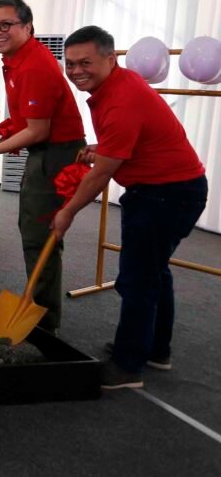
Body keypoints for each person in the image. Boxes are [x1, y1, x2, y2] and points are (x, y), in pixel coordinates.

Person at [51, 26, 207, 390]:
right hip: (171, 189)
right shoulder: (116, 88)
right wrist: (101, 147)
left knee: (137, 280)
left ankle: (127, 366)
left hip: (166, 195)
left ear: (111, 58)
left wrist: (68, 211)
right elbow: (119, 147)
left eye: (85, 62)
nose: (76, 71)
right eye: (70, 64)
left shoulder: (121, 99)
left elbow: (101, 174)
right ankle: (155, 349)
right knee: (154, 273)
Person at [0, 0, 85, 334]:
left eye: (6, 25)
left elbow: (38, 130)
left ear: (28, 27)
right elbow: (26, 121)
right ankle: (40, 306)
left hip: (56, 153)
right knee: (33, 228)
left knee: (39, 233)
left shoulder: (34, 65)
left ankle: (45, 321)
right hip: (44, 150)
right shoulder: (15, 59)